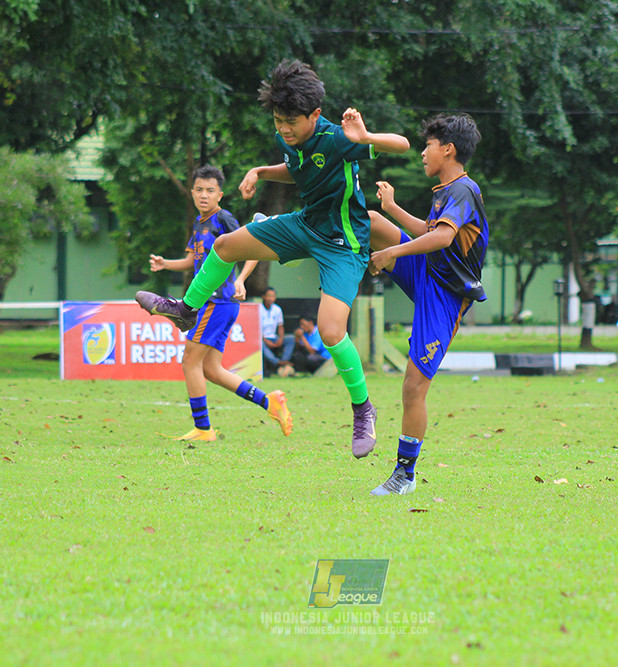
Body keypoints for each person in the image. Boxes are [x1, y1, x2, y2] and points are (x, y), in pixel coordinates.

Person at [135, 59, 410, 458]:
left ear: (315, 115)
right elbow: (296, 169)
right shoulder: (289, 138)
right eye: (278, 119)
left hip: (343, 243)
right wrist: (262, 171)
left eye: (291, 121)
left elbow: (400, 144)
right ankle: (186, 310)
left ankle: (363, 410)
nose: (283, 128)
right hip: (303, 225)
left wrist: (366, 135)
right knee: (225, 246)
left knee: (332, 331)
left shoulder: (339, 139)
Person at [366, 113, 488, 495]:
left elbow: (442, 239)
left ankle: (405, 474)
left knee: (413, 387)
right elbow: (429, 231)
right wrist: (392, 209)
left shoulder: (464, 190)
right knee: (372, 221)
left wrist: (392, 253)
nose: (422, 153)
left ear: (448, 149)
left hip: (446, 295)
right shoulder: (447, 190)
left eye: (428, 145)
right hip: (427, 272)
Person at [136, 165, 293, 441]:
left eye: (210, 190)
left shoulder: (225, 220)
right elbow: (191, 261)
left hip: (217, 302)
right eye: (199, 190)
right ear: (192, 192)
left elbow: (254, 245)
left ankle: (203, 429)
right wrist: (165, 264)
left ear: (220, 194)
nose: (204, 195)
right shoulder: (199, 224)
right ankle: (271, 403)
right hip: (214, 303)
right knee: (211, 369)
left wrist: (242, 279)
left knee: (189, 361)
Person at [260, 286, 295, 377]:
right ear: (263, 297)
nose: (271, 298)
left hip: (274, 337)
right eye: (269, 296)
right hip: (262, 338)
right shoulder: (258, 308)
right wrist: (266, 340)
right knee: (260, 344)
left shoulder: (277, 309)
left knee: (291, 339)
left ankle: (284, 360)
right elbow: (256, 328)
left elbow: (280, 326)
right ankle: (278, 363)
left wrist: (280, 338)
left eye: (273, 296)